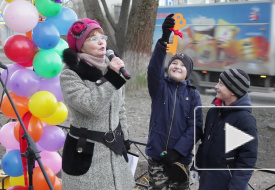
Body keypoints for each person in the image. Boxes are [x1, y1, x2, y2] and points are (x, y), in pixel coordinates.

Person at [60, 18, 135, 190]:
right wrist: (112, 78)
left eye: (103, 37)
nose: (101, 42)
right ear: (80, 46)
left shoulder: (112, 67)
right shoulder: (70, 75)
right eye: (93, 38)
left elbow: (120, 108)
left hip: (115, 151)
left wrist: (125, 137)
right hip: (86, 153)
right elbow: (91, 106)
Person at [145, 13, 203, 189]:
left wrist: (177, 151)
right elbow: (154, 67)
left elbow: (196, 127)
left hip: (180, 161)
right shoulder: (159, 87)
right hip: (157, 158)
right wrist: (164, 39)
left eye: (182, 65)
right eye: (174, 63)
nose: (177, 66)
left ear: (188, 72)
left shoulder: (193, 95)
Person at [195, 68, 258, 190]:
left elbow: (247, 159)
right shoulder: (213, 112)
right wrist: (196, 166)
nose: (216, 86)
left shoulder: (244, 119)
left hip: (226, 184)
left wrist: (236, 187)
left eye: (221, 84)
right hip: (206, 182)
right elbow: (205, 143)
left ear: (233, 90)